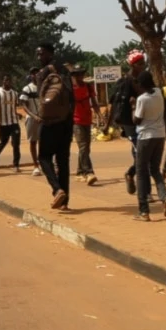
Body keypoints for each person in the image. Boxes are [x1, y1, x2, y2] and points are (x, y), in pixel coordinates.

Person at [35, 43, 74, 210]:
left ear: (50, 54)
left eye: (41, 54)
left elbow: (41, 96)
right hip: (67, 121)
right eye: (38, 54)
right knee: (63, 161)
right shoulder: (66, 69)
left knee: (43, 157)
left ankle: (57, 190)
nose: (39, 58)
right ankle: (65, 203)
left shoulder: (44, 72)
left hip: (50, 122)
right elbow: (72, 95)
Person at [132, 71, 166, 221]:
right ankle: (165, 196)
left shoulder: (142, 99)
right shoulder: (158, 93)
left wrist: (132, 107)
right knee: (155, 170)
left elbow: (137, 120)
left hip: (145, 137)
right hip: (159, 135)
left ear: (141, 85)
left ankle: (143, 210)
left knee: (141, 172)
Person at [104, 50, 146, 195]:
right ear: (133, 65)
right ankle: (144, 190)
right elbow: (113, 105)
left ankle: (130, 174)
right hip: (129, 123)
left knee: (142, 154)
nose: (143, 66)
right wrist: (107, 125)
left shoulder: (144, 80)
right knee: (140, 154)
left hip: (144, 122)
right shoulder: (124, 82)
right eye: (140, 64)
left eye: (144, 63)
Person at [70, 65, 101, 186]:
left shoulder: (88, 86)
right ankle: (89, 172)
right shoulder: (71, 88)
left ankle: (79, 172)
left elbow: (94, 102)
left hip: (87, 119)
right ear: (74, 76)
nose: (79, 76)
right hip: (76, 120)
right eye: (77, 74)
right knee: (83, 147)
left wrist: (100, 115)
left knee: (86, 148)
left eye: (81, 74)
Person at [0, 75, 22, 172]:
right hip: (2, 122)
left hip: (14, 122)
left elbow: (14, 107)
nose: (7, 82)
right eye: (5, 80)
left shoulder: (15, 93)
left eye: (9, 80)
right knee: (3, 141)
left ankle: (16, 165)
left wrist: (17, 114)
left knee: (16, 143)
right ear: (2, 81)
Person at [20, 68, 43, 176]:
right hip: (32, 118)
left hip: (43, 118)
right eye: (33, 73)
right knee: (33, 142)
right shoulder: (27, 88)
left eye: (37, 73)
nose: (35, 75)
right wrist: (33, 116)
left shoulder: (43, 87)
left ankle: (45, 164)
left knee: (44, 142)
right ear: (31, 76)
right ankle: (35, 165)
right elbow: (23, 105)